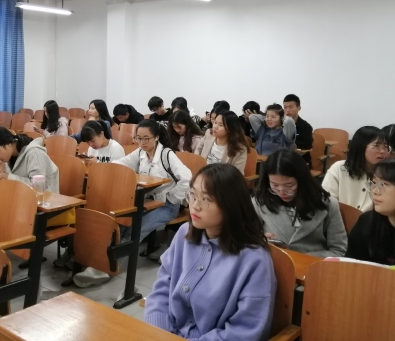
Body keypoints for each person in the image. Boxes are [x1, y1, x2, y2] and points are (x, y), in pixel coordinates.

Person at [145, 163, 276, 340]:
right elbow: (162, 287)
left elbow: (244, 330)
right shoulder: (184, 233)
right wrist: (159, 331)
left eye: (206, 199)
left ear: (230, 205)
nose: (195, 205)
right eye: (193, 194)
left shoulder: (254, 259)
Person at [253, 149, 347, 257]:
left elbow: (338, 250)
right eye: (274, 185)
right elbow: (247, 240)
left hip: (314, 263)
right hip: (275, 262)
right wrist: (261, 242)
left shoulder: (327, 204)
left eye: (289, 185)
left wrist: (302, 259)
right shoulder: (260, 201)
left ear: (302, 180)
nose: (281, 191)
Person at [113, 120, 192, 242]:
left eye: (146, 139)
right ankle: (115, 247)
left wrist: (171, 197)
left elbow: (187, 178)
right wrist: (100, 164)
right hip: (147, 201)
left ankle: (123, 249)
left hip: (167, 205)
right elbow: (122, 163)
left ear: (156, 137)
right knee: (122, 222)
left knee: (135, 229)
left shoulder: (166, 154)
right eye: (138, 138)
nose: (142, 142)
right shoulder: (140, 152)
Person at [322, 126, 388, 212]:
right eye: (376, 146)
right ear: (360, 147)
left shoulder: (387, 174)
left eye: (385, 146)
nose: (382, 151)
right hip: (339, 218)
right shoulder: (339, 168)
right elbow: (327, 201)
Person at [0, 126, 59, 193]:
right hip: (20, 197)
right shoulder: (7, 157)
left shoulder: (35, 153)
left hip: (46, 199)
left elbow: (38, 187)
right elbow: (1, 183)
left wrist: (9, 178)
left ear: (8, 143)